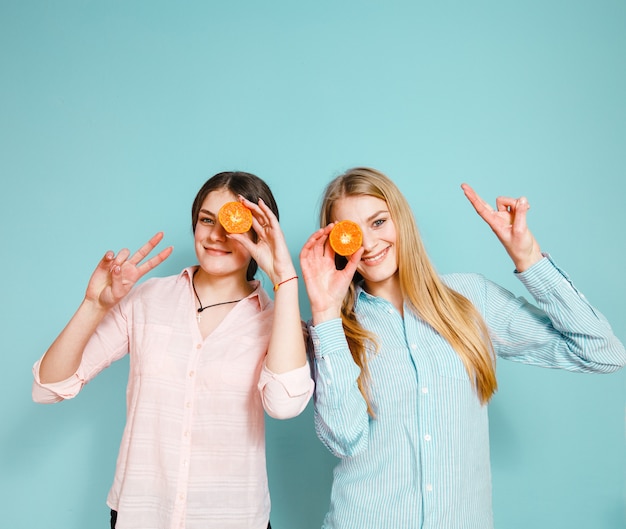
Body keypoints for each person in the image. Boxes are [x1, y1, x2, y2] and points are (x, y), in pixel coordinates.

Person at [299, 166, 626, 529]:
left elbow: (603, 353)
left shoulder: (471, 298)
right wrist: (326, 313)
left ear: (401, 220)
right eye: (353, 233)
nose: (370, 244)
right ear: (335, 243)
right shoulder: (332, 330)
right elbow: (344, 440)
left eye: (378, 222)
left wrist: (528, 257)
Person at [32, 171, 314, 529]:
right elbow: (48, 386)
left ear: (260, 233)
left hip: (233, 518)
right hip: (141, 515)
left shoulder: (279, 322)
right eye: (206, 220)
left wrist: (286, 282)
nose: (216, 235)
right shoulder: (147, 299)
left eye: (233, 223)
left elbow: (285, 405)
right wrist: (93, 305)